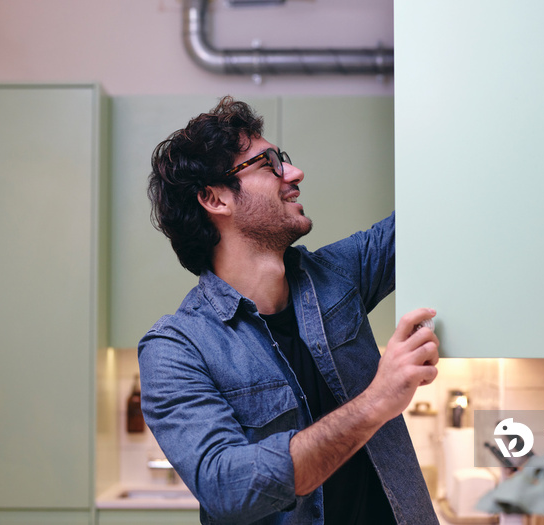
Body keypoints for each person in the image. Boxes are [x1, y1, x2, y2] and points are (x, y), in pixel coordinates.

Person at [138, 96, 440, 525]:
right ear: (215, 199)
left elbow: (430, 217)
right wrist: (377, 401)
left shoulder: (338, 274)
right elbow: (228, 488)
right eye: (268, 164)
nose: (294, 174)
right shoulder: (176, 349)